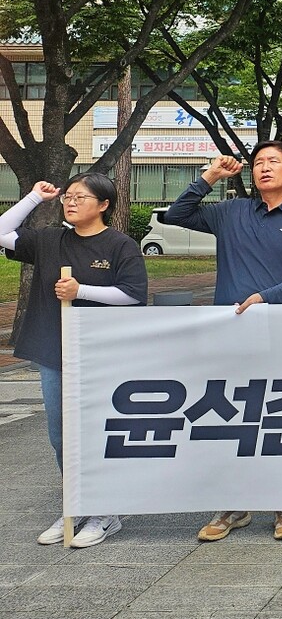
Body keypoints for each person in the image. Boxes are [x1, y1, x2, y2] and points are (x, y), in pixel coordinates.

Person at [166, 140, 282, 542]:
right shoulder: (231, 211)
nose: (264, 168)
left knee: (279, 418)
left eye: (274, 161)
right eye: (258, 163)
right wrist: (211, 176)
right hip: (231, 333)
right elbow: (176, 214)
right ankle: (233, 505)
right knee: (232, 417)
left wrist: (266, 297)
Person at [0, 174, 147, 547]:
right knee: (60, 435)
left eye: (81, 197)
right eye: (69, 196)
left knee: (95, 432)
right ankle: (76, 504)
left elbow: (133, 295)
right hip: (54, 349)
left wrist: (83, 291)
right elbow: (2, 231)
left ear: (104, 205)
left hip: (101, 353)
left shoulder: (120, 245)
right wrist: (35, 197)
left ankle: (105, 512)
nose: (71, 201)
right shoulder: (50, 240)